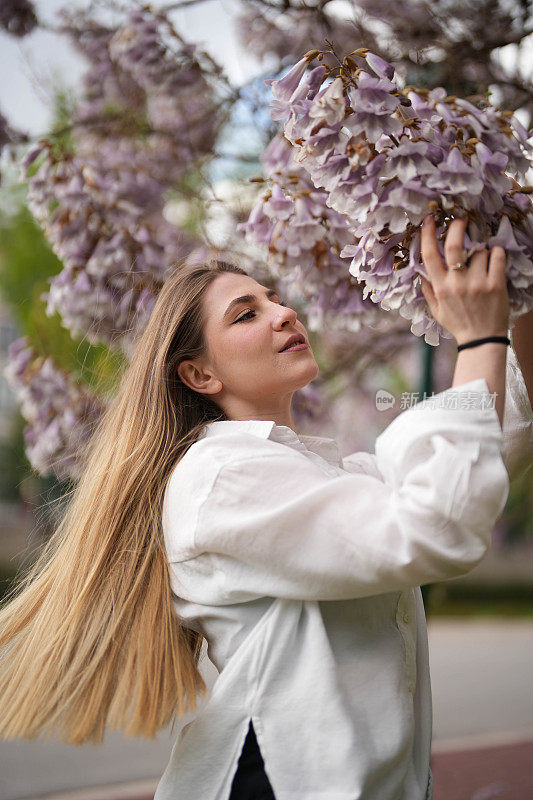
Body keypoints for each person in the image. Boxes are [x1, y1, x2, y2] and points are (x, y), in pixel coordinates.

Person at [0, 216, 531, 800]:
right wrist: (479, 339)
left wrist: (514, 285)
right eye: (247, 314)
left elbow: (488, 442)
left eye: (276, 300)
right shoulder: (219, 477)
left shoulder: (323, 477)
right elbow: (437, 524)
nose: (284, 313)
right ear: (199, 374)